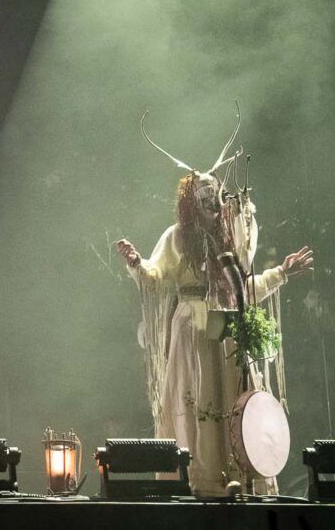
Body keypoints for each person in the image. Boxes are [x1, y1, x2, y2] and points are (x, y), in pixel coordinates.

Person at [116, 170, 313, 497]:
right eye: (205, 194)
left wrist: (281, 272)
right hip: (193, 330)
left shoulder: (230, 240)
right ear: (192, 202)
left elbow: (243, 289)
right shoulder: (178, 236)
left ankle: (242, 480)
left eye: (216, 192)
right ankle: (201, 482)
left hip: (227, 329)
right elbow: (155, 275)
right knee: (198, 400)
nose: (213, 199)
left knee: (235, 401)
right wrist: (137, 262)